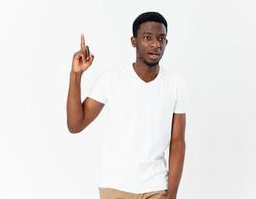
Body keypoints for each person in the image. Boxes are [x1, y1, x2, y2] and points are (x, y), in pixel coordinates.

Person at [67, 12, 188, 199]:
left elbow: (178, 142)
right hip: (116, 186)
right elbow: (75, 124)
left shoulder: (175, 84)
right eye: (148, 38)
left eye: (161, 39)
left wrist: (171, 195)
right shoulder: (112, 79)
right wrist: (76, 75)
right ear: (134, 41)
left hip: (156, 186)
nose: (156, 44)